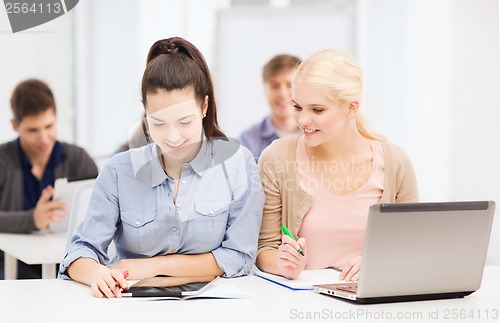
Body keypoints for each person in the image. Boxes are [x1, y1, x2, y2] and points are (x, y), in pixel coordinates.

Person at [59, 37, 265, 298]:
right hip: (130, 306)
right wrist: (98, 273)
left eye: (184, 122)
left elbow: (238, 257)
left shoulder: (237, 164)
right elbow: (80, 252)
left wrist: (150, 266)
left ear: (204, 106)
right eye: (158, 123)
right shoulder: (119, 170)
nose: (173, 137)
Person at [256, 49, 419, 282]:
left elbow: (413, 247)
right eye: (298, 107)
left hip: (373, 303)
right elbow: (265, 249)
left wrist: (380, 262)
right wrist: (284, 265)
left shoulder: (395, 163)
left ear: (351, 108)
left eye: (317, 109)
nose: (302, 120)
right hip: (302, 304)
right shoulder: (277, 158)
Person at [0, 79, 98, 279]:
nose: (44, 138)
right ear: (14, 125)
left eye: (49, 126)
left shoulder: (78, 159)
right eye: (33, 130)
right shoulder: (3, 161)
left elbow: (103, 213)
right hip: (11, 266)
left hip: (69, 263)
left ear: (56, 116)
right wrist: (32, 220)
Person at [239, 54, 301, 161]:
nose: (282, 93)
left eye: (289, 85)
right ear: (265, 90)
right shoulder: (247, 142)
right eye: (275, 86)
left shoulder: (320, 136)